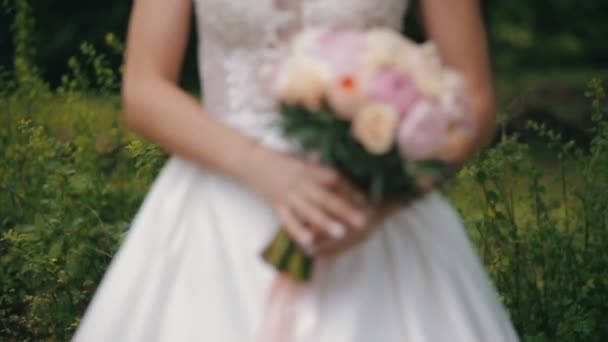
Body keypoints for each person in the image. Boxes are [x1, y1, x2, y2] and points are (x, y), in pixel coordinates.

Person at [72, 0, 519, 341]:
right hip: (217, 207)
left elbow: (475, 98)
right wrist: (262, 167)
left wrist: (381, 202)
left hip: (375, 210)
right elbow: (144, 89)